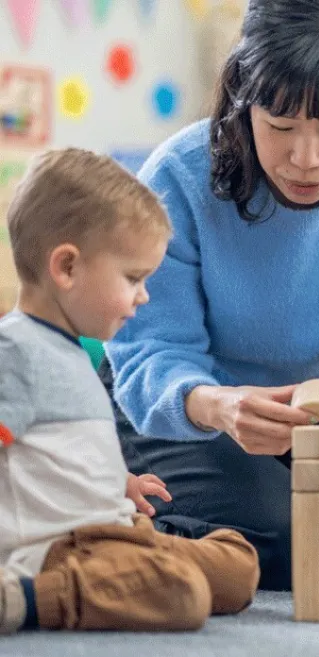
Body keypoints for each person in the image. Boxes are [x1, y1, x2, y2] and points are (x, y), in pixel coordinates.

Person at [101, 0, 319, 590]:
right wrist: (215, 405)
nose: (307, 158)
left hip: (297, 408)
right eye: (281, 126)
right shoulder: (179, 177)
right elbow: (150, 356)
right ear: (243, 97)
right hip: (174, 406)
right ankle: (109, 514)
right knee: (277, 535)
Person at [0, 149, 259, 633]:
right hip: (57, 548)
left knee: (237, 566)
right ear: (67, 268)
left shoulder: (76, 353)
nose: (143, 296)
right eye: (133, 278)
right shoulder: (15, 351)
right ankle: (22, 599)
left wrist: (121, 483)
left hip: (112, 531)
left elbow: (60, 452)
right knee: (180, 592)